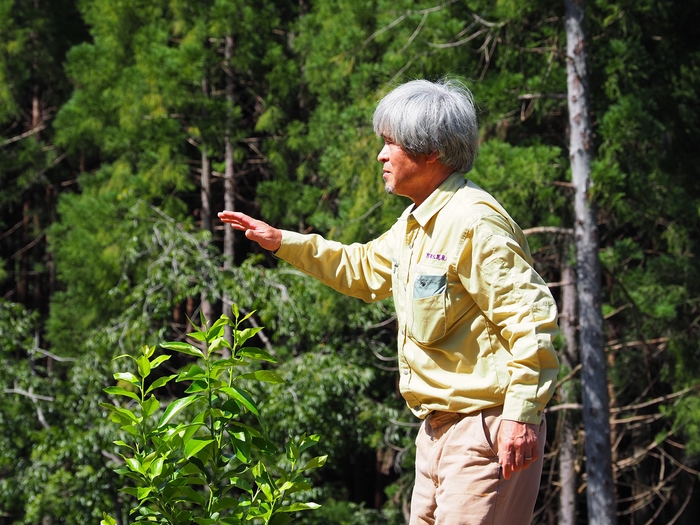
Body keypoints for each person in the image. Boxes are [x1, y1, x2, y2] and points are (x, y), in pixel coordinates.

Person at [219, 78, 560, 525]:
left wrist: (520, 416)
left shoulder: (473, 221)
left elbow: (530, 317)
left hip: (486, 430)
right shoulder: (417, 221)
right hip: (437, 433)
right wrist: (282, 241)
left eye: (390, 143)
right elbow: (361, 270)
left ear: (430, 151)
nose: (381, 155)